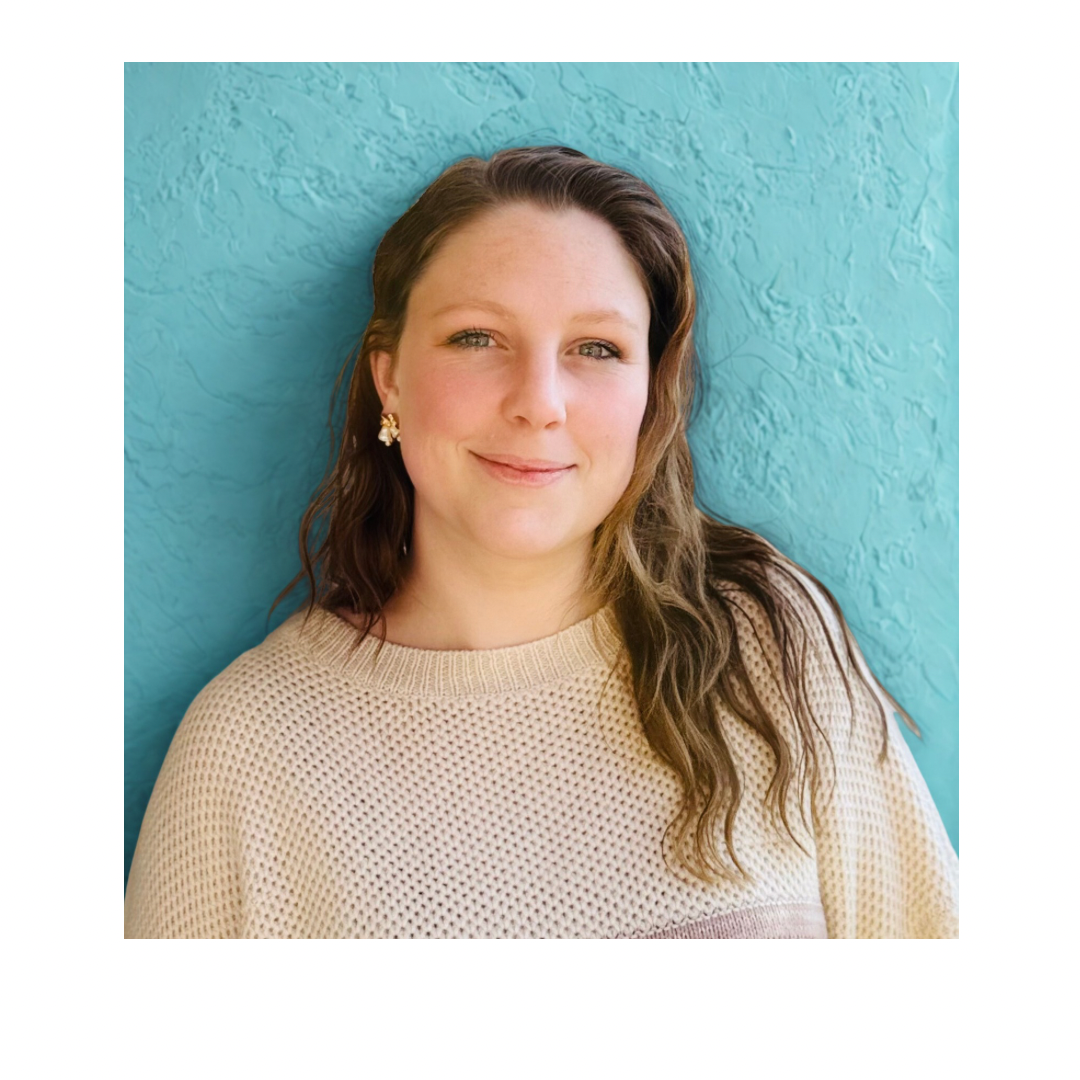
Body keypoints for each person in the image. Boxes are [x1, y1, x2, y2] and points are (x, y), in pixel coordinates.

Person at [124, 146, 959, 939]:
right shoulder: (247, 750)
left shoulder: (768, 647)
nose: (540, 402)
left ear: (648, 394)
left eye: (596, 349)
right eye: (477, 338)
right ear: (391, 378)